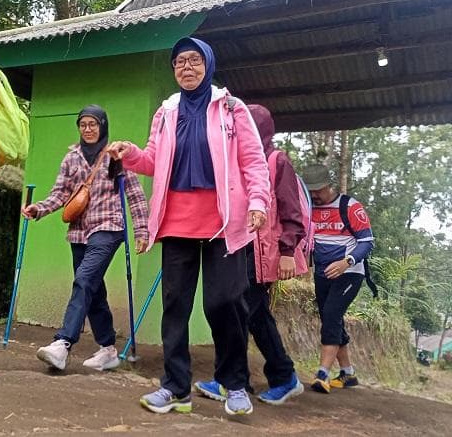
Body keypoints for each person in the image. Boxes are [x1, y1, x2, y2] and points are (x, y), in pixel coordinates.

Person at [109, 37, 270, 416]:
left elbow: (253, 161)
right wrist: (130, 153)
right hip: (176, 219)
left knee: (224, 302)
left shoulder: (231, 108)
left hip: (223, 221)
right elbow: (153, 160)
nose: (186, 68)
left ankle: (234, 384)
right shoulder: (165, 113)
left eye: (194, 61)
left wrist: (259, 202)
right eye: (179, 62)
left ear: (208, 65)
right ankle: (175, 387)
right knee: (175, 305)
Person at [193, 104, 306, 406]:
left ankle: (232, 381)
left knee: (240, 315)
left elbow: (292, 211)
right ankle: (282, 376)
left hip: (264, 256)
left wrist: (287, 251)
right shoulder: (235, 162)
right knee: (253, 316)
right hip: (237, 249)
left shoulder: (275, 161)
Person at [21, 104, 148, 372]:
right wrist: (39, 208)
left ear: (103, 125)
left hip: (109, 228)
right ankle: (108, 349)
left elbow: (134, 195)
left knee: (84, 279)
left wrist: (142, 231)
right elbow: (60, 194)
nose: (88, 129)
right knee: (93, 288)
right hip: (79, 231)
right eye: (83, 125)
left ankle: (62, 343)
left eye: (93, 124)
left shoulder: (116, 154)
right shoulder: (72, 158)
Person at [301, 164, 375, 393]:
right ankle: (348, 373)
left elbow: (366, 242)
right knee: (329, 317)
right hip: (323, 273)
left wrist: (347, 262)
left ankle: (322, 373)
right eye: (310, 190)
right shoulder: (310, 207)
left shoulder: (350, 207)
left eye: (318, 190)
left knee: (332, 315)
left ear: (329, 185)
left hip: (349, 274)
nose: (314, 195)